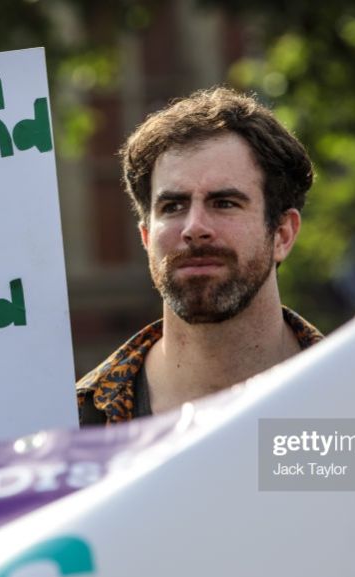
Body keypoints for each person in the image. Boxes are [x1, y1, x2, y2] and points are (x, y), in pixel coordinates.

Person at [77, 87, 323, 425]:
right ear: (146, 237)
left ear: (282, 234)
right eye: (173, 206)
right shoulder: (77, 427)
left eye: (224, 203)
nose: (194, 228)